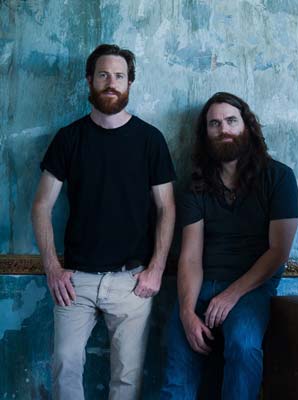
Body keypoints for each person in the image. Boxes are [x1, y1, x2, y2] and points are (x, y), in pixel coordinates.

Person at [31, 44, 176, 399]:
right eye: (103, 75)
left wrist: (156, 269)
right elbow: (41, 205)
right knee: (65, 365)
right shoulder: (69, 138)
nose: (111, 83)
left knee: (127, 379)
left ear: (130, 83)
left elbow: (167, 208)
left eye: (119, 76)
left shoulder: (150, 140)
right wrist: (52, 268)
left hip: (132, 281)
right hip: (75, 280)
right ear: (89, 80)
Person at [160, 92, 298, 400]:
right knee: (177, 369)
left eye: (231, 121)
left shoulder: (279, 177)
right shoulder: (195, 186)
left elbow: (279, 251)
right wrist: (186, 312)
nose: (223, 129)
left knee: (243, 345)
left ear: (247, 127)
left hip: (252, 288)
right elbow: (191, 257)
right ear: (206, 134)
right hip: (201, 285)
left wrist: (230, 295)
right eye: (214, 124)